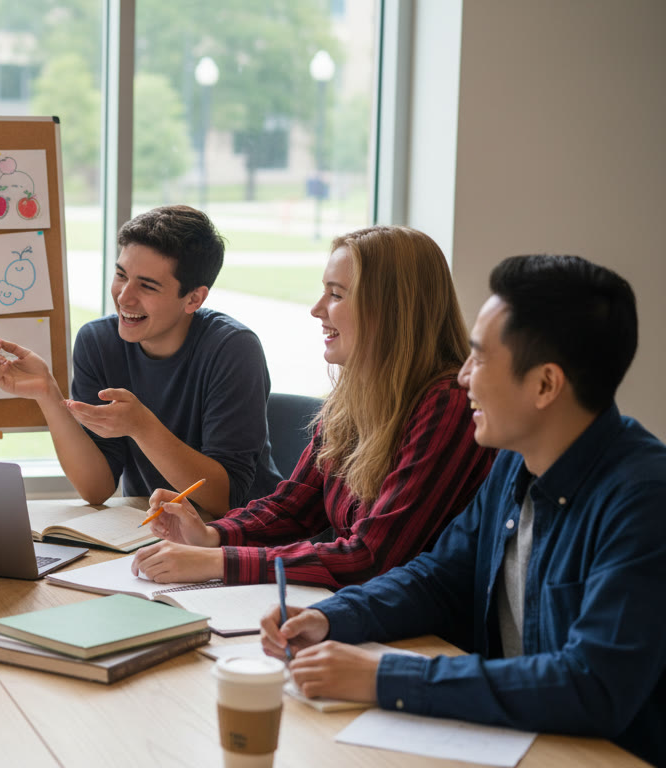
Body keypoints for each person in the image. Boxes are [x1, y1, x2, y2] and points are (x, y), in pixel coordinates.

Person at [261, 255, 665, 765]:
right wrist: (328, 616)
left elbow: (591, 683)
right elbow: (439, 577)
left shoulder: (644, 499)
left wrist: (384, 677)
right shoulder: (515, 462)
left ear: (545, 385)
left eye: (480, 359)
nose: (463, 377)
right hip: (515, 740)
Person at [133, 225, 494, 589]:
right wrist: (211, 535)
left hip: (422, 631)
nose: (316, 310)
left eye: (335, 295)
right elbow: (293, 507)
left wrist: (218, 561)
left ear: (389, 309)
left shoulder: (449, 406)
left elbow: (371, 558)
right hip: (355, 608)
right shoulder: (354, 398)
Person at [0, 205, 280, 514]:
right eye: (121, 275)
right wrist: (47, 393)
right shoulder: (98, 343)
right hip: (156, 529)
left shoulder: (233, 349)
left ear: (194, 298)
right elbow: (96, 488)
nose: (124, 297)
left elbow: (225, 499)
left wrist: (142, 427)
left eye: (147, 285)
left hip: (245, 537)